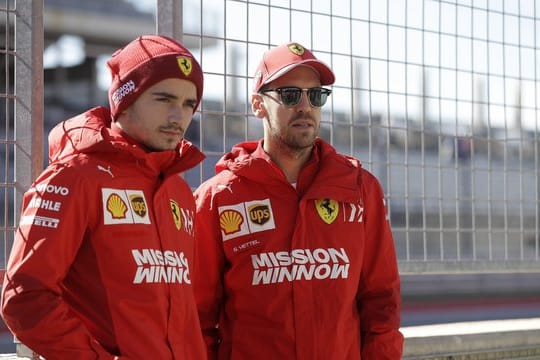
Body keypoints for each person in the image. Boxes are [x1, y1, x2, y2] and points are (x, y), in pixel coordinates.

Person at [193, 42, 404, 359]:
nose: (305, 106)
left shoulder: (360, 188)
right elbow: (198, 318)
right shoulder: (217, 199)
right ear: (258, 105)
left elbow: (381, 300)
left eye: (316, 96)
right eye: (290, 95)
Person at [1, 35, 207, 359]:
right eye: (164, 99)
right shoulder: (75, 176)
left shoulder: (179, 191)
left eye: (187, 104)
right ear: (125, 99)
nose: (177, 116)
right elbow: (23, 296)